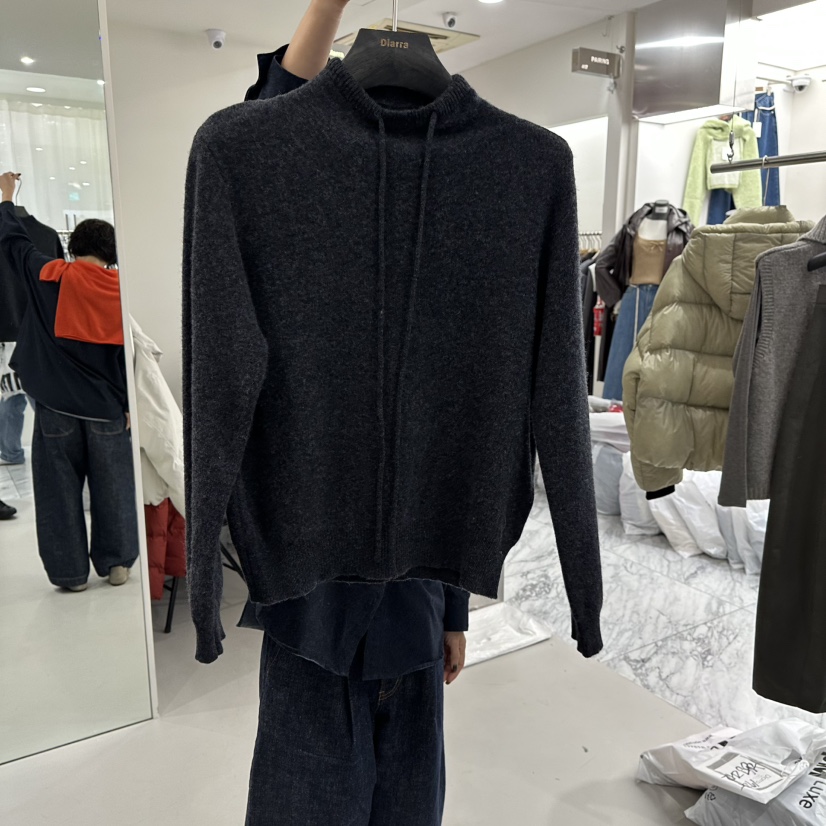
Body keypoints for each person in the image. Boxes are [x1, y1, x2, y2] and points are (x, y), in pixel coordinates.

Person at [238, 3, 468, 824]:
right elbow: (266, 129)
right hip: (315, 609)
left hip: (413, 611)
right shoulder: (294, 220)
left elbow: (454, 454)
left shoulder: (452, 233)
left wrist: (454, 610)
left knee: (410, 809)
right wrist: (328, 7)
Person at [0, 174, 138, 591]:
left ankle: (69, 574)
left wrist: (7, 198)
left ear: (72, 247)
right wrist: (128, 406)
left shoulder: (49, 275)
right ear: (111, 253)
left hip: (56, 407)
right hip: (107, 409)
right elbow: (126, 357)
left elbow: (14, 243)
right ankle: (117, 564)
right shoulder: (121, 291)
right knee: (114, 490)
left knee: (56, 492)